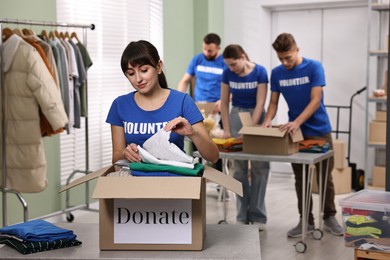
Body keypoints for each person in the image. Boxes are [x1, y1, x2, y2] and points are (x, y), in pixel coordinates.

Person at [263, 32, 343, 237]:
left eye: (288, 57)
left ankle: (329, 217)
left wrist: (297, 121)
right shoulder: (277, 73)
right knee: (300, 178)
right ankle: (305, 221)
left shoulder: (314, 67)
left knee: (325, 175)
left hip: (319, 130)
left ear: (297, 50)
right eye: (281, 58)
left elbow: (316, 100)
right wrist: (267, 120)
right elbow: (273, 102)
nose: (285, 62)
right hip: (295, 134)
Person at [106, 40, 219, 165]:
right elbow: (116, 160)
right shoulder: (120, 105)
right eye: (131, 73)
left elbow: (213, 156)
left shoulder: (182, 102)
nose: (138, 79)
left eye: (144, 70)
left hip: (172, 179)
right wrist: (125, 153)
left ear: (158, 67)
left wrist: (193, 134)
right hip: (136, 180)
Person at [220, 44, 270, 231]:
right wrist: (226, 129)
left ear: (242, 57)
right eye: (229, 65)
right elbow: (224, 102)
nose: (231, 68)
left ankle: (258, 216)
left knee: (260, 166)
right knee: (238, 169)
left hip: (256, 116)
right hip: (235, 116)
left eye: (234, 64)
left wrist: (250, 128)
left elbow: (260, 102)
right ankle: (242, 216)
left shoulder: (260, 72)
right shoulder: (227, 73)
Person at [177, 33, 226, 113]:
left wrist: (223, 101)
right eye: (204, 49)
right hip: (198, 105)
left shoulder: (225, 63)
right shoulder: (197, 59)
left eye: (210, 51)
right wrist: (181, 99)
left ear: (218, 48)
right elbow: (184, 81)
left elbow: (232, 88)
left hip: (217, 106)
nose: (206, 52)